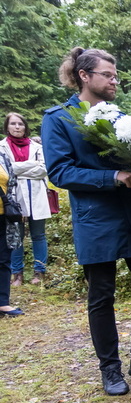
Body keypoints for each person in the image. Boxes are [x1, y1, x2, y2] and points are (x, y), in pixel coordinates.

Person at [42, 47, 131, 396]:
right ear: (84, 76)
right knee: (101, 297)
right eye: (107, 74)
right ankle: (110, 369)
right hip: (96, 219)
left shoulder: (122, 117)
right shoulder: (58, 119)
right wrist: (112, 176)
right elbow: (60, 171)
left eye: (115, 75)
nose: (114, 80)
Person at [1, 113, 52, 286]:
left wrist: (18, 168)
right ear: (7, 127)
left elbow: (44, 169)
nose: (17, 127)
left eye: (20, 124)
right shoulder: (2, 147)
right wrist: (32, 164)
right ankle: (17, 274)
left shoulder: (36, 146)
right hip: (14, 197)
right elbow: (7, 170)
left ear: (25, 126)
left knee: (39, 235)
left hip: (36, 195)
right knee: (17, 236)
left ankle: (40, 272)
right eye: (13, 124)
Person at [0, 150, 24, 317]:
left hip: (3, 215)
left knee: (3, 259)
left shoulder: (2, 156)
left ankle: (3, 303)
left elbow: (12, 182)